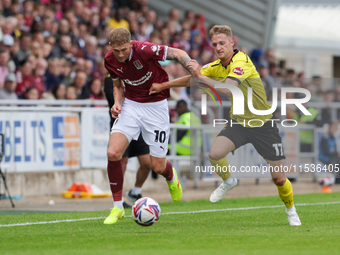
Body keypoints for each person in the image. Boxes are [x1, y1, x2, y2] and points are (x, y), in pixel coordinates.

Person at [150, 25, 301, 226]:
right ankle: (229, 180)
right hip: (239, 122)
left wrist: (201, 76)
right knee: (214, 154)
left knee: (280, 179)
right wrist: (164, 85)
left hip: (263, 123)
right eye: (215, 44)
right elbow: (193, 79)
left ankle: (291, 210)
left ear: (232, 43)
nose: (218, 47)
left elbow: (230, 89)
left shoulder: (242, 61)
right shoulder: (217, 66)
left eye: (222, 43)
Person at [103, 28, 194, 225]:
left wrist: (191, 66)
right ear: (111, 47)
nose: (120, 54)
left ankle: (171, 176)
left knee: (157, 166)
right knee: (113, 153)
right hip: (132, 106)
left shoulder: (144, 49)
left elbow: (177, 54)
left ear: (131, 43)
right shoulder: (110, 60)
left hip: (156, 107)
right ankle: (118, 207)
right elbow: (118, 86)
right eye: (116, 50)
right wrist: (117, 103)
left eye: (124, 50)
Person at [103, 75, 151, 207]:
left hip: (139, 125)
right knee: (120, 162)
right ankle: (120, 199)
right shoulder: (110, 79)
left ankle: (136, 191)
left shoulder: (137, 75)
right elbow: (113, 98)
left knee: (147, 163)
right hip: (121, 126)